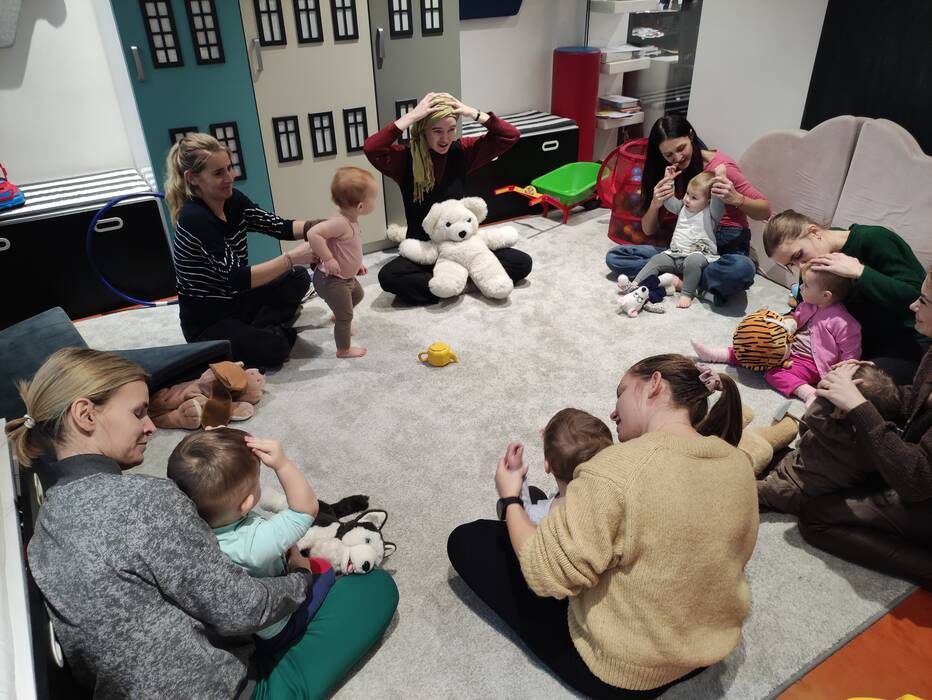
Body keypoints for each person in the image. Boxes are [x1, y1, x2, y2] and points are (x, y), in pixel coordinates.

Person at [5, 347, 398, 698]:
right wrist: (301, 577)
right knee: (374, 589)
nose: (151, 427)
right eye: (139, 412)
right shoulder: (145, 500)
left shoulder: (47, 523)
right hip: (219, 689)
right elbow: (242, 609)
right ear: (86, 414)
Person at [448, 354, 758, 698]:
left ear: (654, 384)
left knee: (470, 540)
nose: (613, 412)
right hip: (708, 649)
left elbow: (545, 571)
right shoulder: (737, 462)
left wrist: (510, 498)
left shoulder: (615, 470)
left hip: (625, 672)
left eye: (620, 392)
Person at [796, 266, 932, 590]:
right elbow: (916, 403)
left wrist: (859, 406)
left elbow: (916, 480)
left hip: (923, 489)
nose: (913, 305)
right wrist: (872, 387)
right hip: (918, 467)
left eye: (924, 301)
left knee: (816, 516)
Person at [167, 428, 336, 656]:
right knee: (324, 570)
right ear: (246, 504)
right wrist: (282, 465)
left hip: (238, 620)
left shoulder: (187, 528)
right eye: (257, 481)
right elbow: (306, 509)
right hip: (274, 628)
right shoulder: (254, 545)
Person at [166, 133, 322, 371]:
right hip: (207, 322)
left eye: (230, 168)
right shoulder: (194, 218)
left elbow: (277, 226)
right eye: (218, 173)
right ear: (192, 178)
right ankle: (262, 332)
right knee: (276, 349)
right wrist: (291, 258)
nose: (229, 177)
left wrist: (320, 227)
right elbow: (237, 278)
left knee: (298, 277)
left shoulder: (232, 199)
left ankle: (257, 329)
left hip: (237, 301)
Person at [364, 92, 532, 305]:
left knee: (521, 263)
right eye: (437, 131)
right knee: (389, 277)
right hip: (425, 249)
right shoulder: (405, 159)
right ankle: (463, 282)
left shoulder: (462, 151)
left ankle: (454, 284)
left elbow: (510, 135)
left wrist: (473, 113)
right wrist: (411, 117)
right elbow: (372, 148)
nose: (445, 139)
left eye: (451, 129)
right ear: (423, 130)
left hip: (463, 245)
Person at [606, 116, 771, 305]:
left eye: (681, 148)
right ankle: (689, 279)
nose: (677, 158)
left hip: (724, 246)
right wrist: (655, 204)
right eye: (669, 154)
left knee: (742, 270)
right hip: (683, 249)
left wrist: (737, 199)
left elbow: (765, 210)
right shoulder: (669, 171)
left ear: (691, 136)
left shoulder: (720, 169)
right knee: (615, 257)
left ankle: (677, 279)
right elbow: (648, 230)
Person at [763, 208, 928, 384]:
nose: (800, 266)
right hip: (848, 345)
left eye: (798, 255)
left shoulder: (874, 239)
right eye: (791, 264)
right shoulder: (812, 264)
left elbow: (917, 300)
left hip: (904, 342)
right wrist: (777, 326)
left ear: (814, 232)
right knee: (766, 354)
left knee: (854, 388)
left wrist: (860, 272)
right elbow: (807, 309)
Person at [692, 262, 861, 405]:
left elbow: (851, 355)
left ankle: (807, 393)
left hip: (810, 363)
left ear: (825, 295)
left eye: (806, 286)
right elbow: (795, 319)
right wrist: (780, 324)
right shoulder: (808, 305)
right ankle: (717, 355)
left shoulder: (844, 322)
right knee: (759, 346)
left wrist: (839, 376)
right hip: (788, 346)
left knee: (773, 374)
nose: (801, 288)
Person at [756, 363, 901, 514]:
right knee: (768, 452)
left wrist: (822, 394)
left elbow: (811, 416)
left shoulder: (839, 435)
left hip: (796, 488)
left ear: (841, 410)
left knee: (752, 488)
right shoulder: (876, 439)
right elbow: (807, 429)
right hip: (799, 466)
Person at [617, 168, 725, 309]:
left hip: (699, 255)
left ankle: (687, 293)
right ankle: (635, 285)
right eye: (687, 193)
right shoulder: (683, 207)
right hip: (675, 254)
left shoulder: (711, 213)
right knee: (656, 260)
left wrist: (720, 178)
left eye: (694, 198)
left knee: (692, 262)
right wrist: (668, 180)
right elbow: (668, 201)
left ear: (709, 201)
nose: (687, 199)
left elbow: (718, 202)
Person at [307, 167, 377, 358]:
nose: (375, 201)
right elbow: (313, 233)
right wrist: (328, 258)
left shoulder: (350, 219)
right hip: (331, 280)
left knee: (358, 295)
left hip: (345, 277)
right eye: (374, 197)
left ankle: (338, 313)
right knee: (346, 317)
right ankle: (343, 349)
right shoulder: (340, 222)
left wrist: (356, 265)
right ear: (360, 206)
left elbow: (348, 248)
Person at [506, 408, 613, 524]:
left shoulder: (543, 515)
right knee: (535, 493)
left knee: (532, 493)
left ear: (547, 466)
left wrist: (517, 473)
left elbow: (521, 515)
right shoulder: (611, 498)